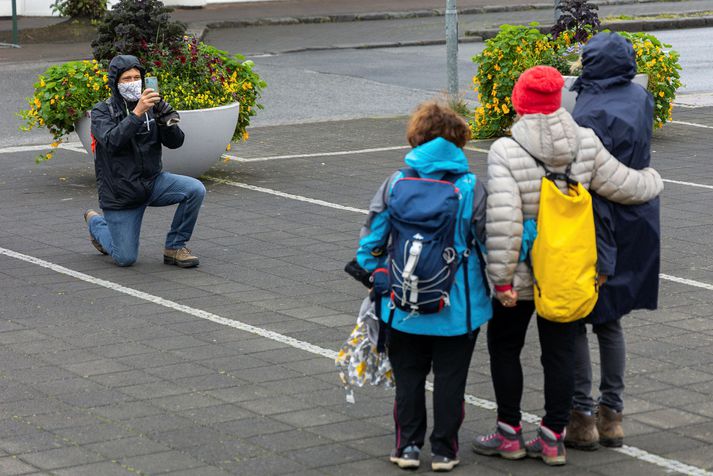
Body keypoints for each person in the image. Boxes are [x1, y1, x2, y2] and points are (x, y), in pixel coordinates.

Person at [471, 66, 664, 466]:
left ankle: (509, 435)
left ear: (519, 101)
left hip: (522, 271)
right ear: (558, 100)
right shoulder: (585, 142)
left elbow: (504, 222)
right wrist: (654, 180)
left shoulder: (507, 150)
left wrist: (501, 279)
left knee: (505, 347)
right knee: (560, 353)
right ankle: (553, 437)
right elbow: (624, 185)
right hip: (568, 271)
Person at [354, 101, 492, 472]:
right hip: (458, 307)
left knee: (409, 378)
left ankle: (408, 448)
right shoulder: (470, 187)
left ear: (416, 138)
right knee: (451, 380)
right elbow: (488, 244)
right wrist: (502, 284)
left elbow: (369, 245)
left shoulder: (396, 183)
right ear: (460, 141)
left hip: (401, 304)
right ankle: (445, 451)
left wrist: (377, 275)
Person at [564, 32, 660, 450]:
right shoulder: (639, 97)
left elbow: (582, 166)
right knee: (611, 319)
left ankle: (581, 416)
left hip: (596, 215)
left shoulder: (586, 108)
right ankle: (613, 417)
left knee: (574, 320)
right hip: (638, 214)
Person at [84, 54, 205, 268]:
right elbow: (112, 142)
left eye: (136, 77)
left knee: (195, 189)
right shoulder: (102, 111)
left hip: (152, 182)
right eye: (126, 79)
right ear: (115, 82)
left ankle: (175, 247)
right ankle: (97, 223)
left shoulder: (152, 105)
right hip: (121, 193)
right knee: (125, 258)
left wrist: (168, 122)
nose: (133, 83)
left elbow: (176, 143)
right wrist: (138, 113)